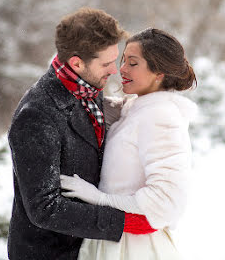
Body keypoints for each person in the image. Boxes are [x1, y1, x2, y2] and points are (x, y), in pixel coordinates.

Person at [7, 8, 156, 260]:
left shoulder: (86, 84)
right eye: (107, 63)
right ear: (76, 62)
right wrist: (122, 222)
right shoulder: (36, 115)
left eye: (115, 59)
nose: (115, 70)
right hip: (48, 253)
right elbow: (44, 209)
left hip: (87, 248)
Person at [61, 28, 198, 260]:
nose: (121, 69)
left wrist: (99, 198)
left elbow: (166, 202)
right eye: (123, 60)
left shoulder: (160, 116)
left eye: (132, 63)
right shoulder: (137, 108)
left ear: (159, 73)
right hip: (114, 238)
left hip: (133, 247)